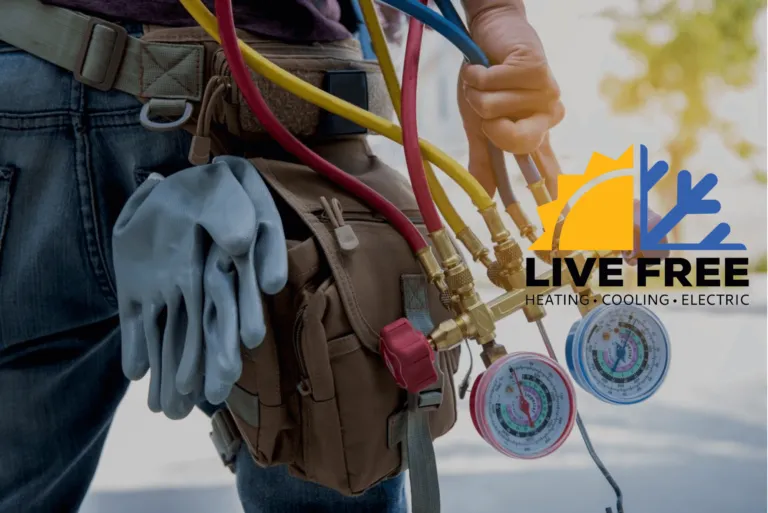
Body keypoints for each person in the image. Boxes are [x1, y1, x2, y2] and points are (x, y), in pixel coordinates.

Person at [0, 0, 562, 512]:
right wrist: (496, 16)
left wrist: (497, 19)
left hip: (38, 87)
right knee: (337, 457)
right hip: (268, 108)